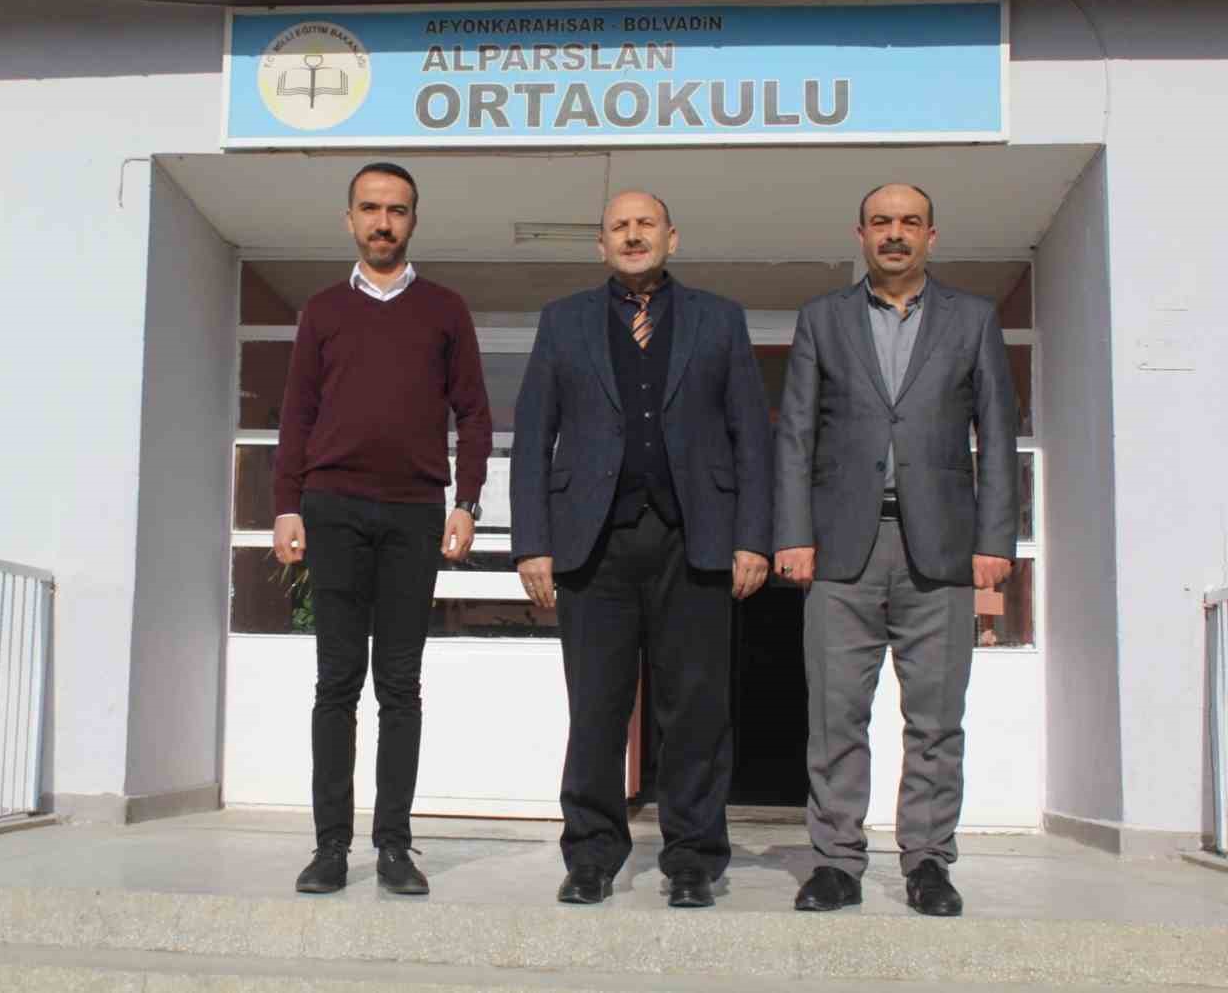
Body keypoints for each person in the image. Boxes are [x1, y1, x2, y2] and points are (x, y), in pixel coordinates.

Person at [510, 190, 772, 908]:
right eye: (619, 227)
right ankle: (592, 854)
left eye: (645, 224)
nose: (633, 236)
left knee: (696, 709)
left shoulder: (720, 319)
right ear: (601, 244)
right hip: (592, 543)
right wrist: (532, 543)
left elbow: (751, 435)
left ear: (671, 237)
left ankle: (692, 859)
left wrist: (753, 536)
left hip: (696, 540)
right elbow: (533, 435)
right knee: (596, 707)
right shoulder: (562, 321)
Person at [773, 183, 1018, 917]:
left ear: (931, 236)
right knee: (835, 716)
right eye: (881, 222)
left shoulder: (972, 319)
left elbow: (997, 434)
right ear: (861, 234)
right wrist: (793, 533)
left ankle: (928, 862)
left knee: (937, 720)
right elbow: (795, 433)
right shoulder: (823, 318)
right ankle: (836, 863)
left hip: (939, 551)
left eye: (910, 222)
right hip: (841, 550)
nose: (895, 233)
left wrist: (994, 540)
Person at [272, 162, 493, 896]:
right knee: (336, 682)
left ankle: (394, 846)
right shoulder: (323, 310)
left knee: (400, 684)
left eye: (396, 210)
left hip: (412, 512)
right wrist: (286, 504)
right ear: (350, 219)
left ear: (413, 220)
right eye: (370, 208)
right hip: (332, 507)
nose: (383, 222)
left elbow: (474, 413)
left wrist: (467, 501)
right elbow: (297, 414)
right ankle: (330, 848)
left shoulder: (445, 310)